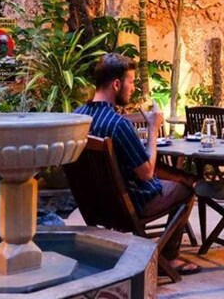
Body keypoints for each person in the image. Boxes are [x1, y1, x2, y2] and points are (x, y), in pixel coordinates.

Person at [74, 53, 201, 275]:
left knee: (174, 176)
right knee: (187, 188)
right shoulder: (118, 124)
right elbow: (146, 173)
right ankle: (168, 257)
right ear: (116, 84)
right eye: (131, 82)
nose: (133, 88)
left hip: (94, 205)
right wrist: (153, 128)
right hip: (128, 206)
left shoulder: (77, 117)